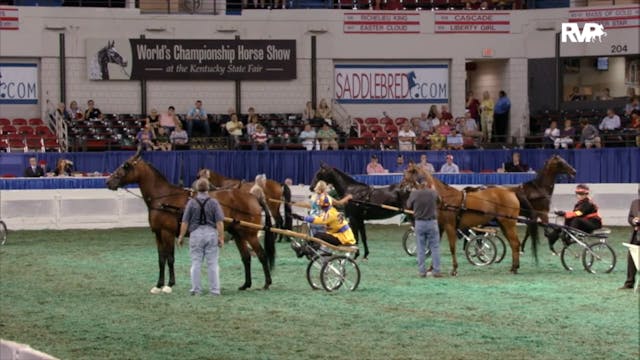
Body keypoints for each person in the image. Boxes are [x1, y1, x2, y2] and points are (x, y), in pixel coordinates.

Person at [178, 178, 225, 296]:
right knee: (213, 263)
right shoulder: (214, 202)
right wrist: (221, 237)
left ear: (196, 189)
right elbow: (219, 222)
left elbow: (185, 222)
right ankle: (214, 290)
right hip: (211, 233)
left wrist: (181, 236)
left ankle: (196, 290)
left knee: (196, 263)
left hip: (195, 234)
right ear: (208, 188)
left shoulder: (191, 203)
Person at [406, 179, 442, 278]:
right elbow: (440, 201)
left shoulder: (414, 194)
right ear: (426, 184)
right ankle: (436, 271)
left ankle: (422, 271)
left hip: (419, 223)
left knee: (421, 248)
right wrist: (434, 190)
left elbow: (408, 205)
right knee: (435, 247)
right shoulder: (433, 193)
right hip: (432, 222)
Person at [292, 193, 356, 247]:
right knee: (317, 235)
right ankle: (307, 248)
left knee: (318, 235)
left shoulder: (330, 213)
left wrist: (301, 218)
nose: (319, 206)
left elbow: (317, 220)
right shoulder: (331, 210)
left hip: (344, 238)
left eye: (320, 204)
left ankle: (310, 251)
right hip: (342, 236)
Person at [619, 190, 640, 290]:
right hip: (636, 235)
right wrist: (633, 221)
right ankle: (629, 283)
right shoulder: (635, 203)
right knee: (631, 259)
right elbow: (630, 217)